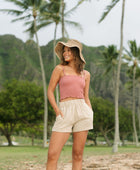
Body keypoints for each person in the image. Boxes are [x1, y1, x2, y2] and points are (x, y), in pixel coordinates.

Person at [46, 39, 93, 170]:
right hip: (65, 111)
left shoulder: (86, 74)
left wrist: (90, 112)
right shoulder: (59, 69)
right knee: (52, 155)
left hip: (83, 112)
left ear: (76, 53)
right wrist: (57, 110)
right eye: (64, 50)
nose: (65, 53)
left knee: (78, 155)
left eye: (68, 50)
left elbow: (86, 96)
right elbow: (50, 91)